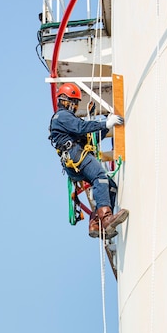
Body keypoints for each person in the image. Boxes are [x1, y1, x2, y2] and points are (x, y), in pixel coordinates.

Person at [48, 83, 128, 238]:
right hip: (74, 155)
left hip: (75, 158)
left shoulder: (68, 122)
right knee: (100, 176)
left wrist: (106, 126)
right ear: (66, 100)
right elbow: (81, 127)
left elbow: (91, 139)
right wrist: (105, 123)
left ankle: (96, 223)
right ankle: (106, 219)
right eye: (74, 103)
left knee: (110, 186)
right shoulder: (62, 116)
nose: (75, 106)